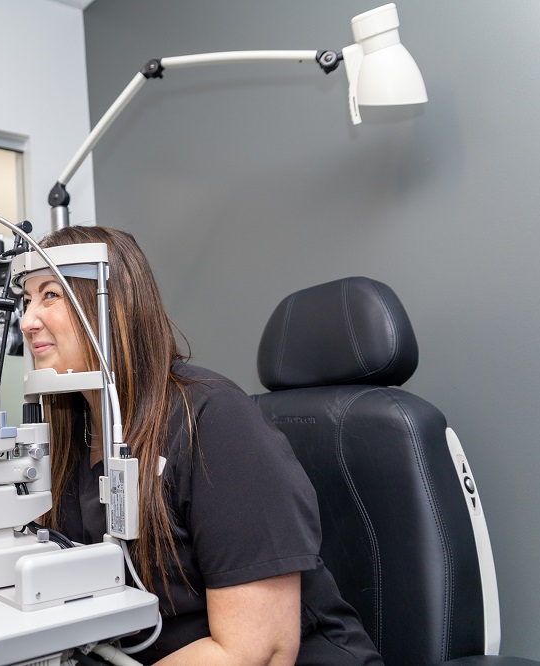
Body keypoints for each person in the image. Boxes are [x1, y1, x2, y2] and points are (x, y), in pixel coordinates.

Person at [20, 225, 383, 666]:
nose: (27, 320)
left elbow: (256, 651)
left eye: (51, 295)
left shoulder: (213, 420)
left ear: (111, 306)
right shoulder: (71, 435)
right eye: (26, 299)